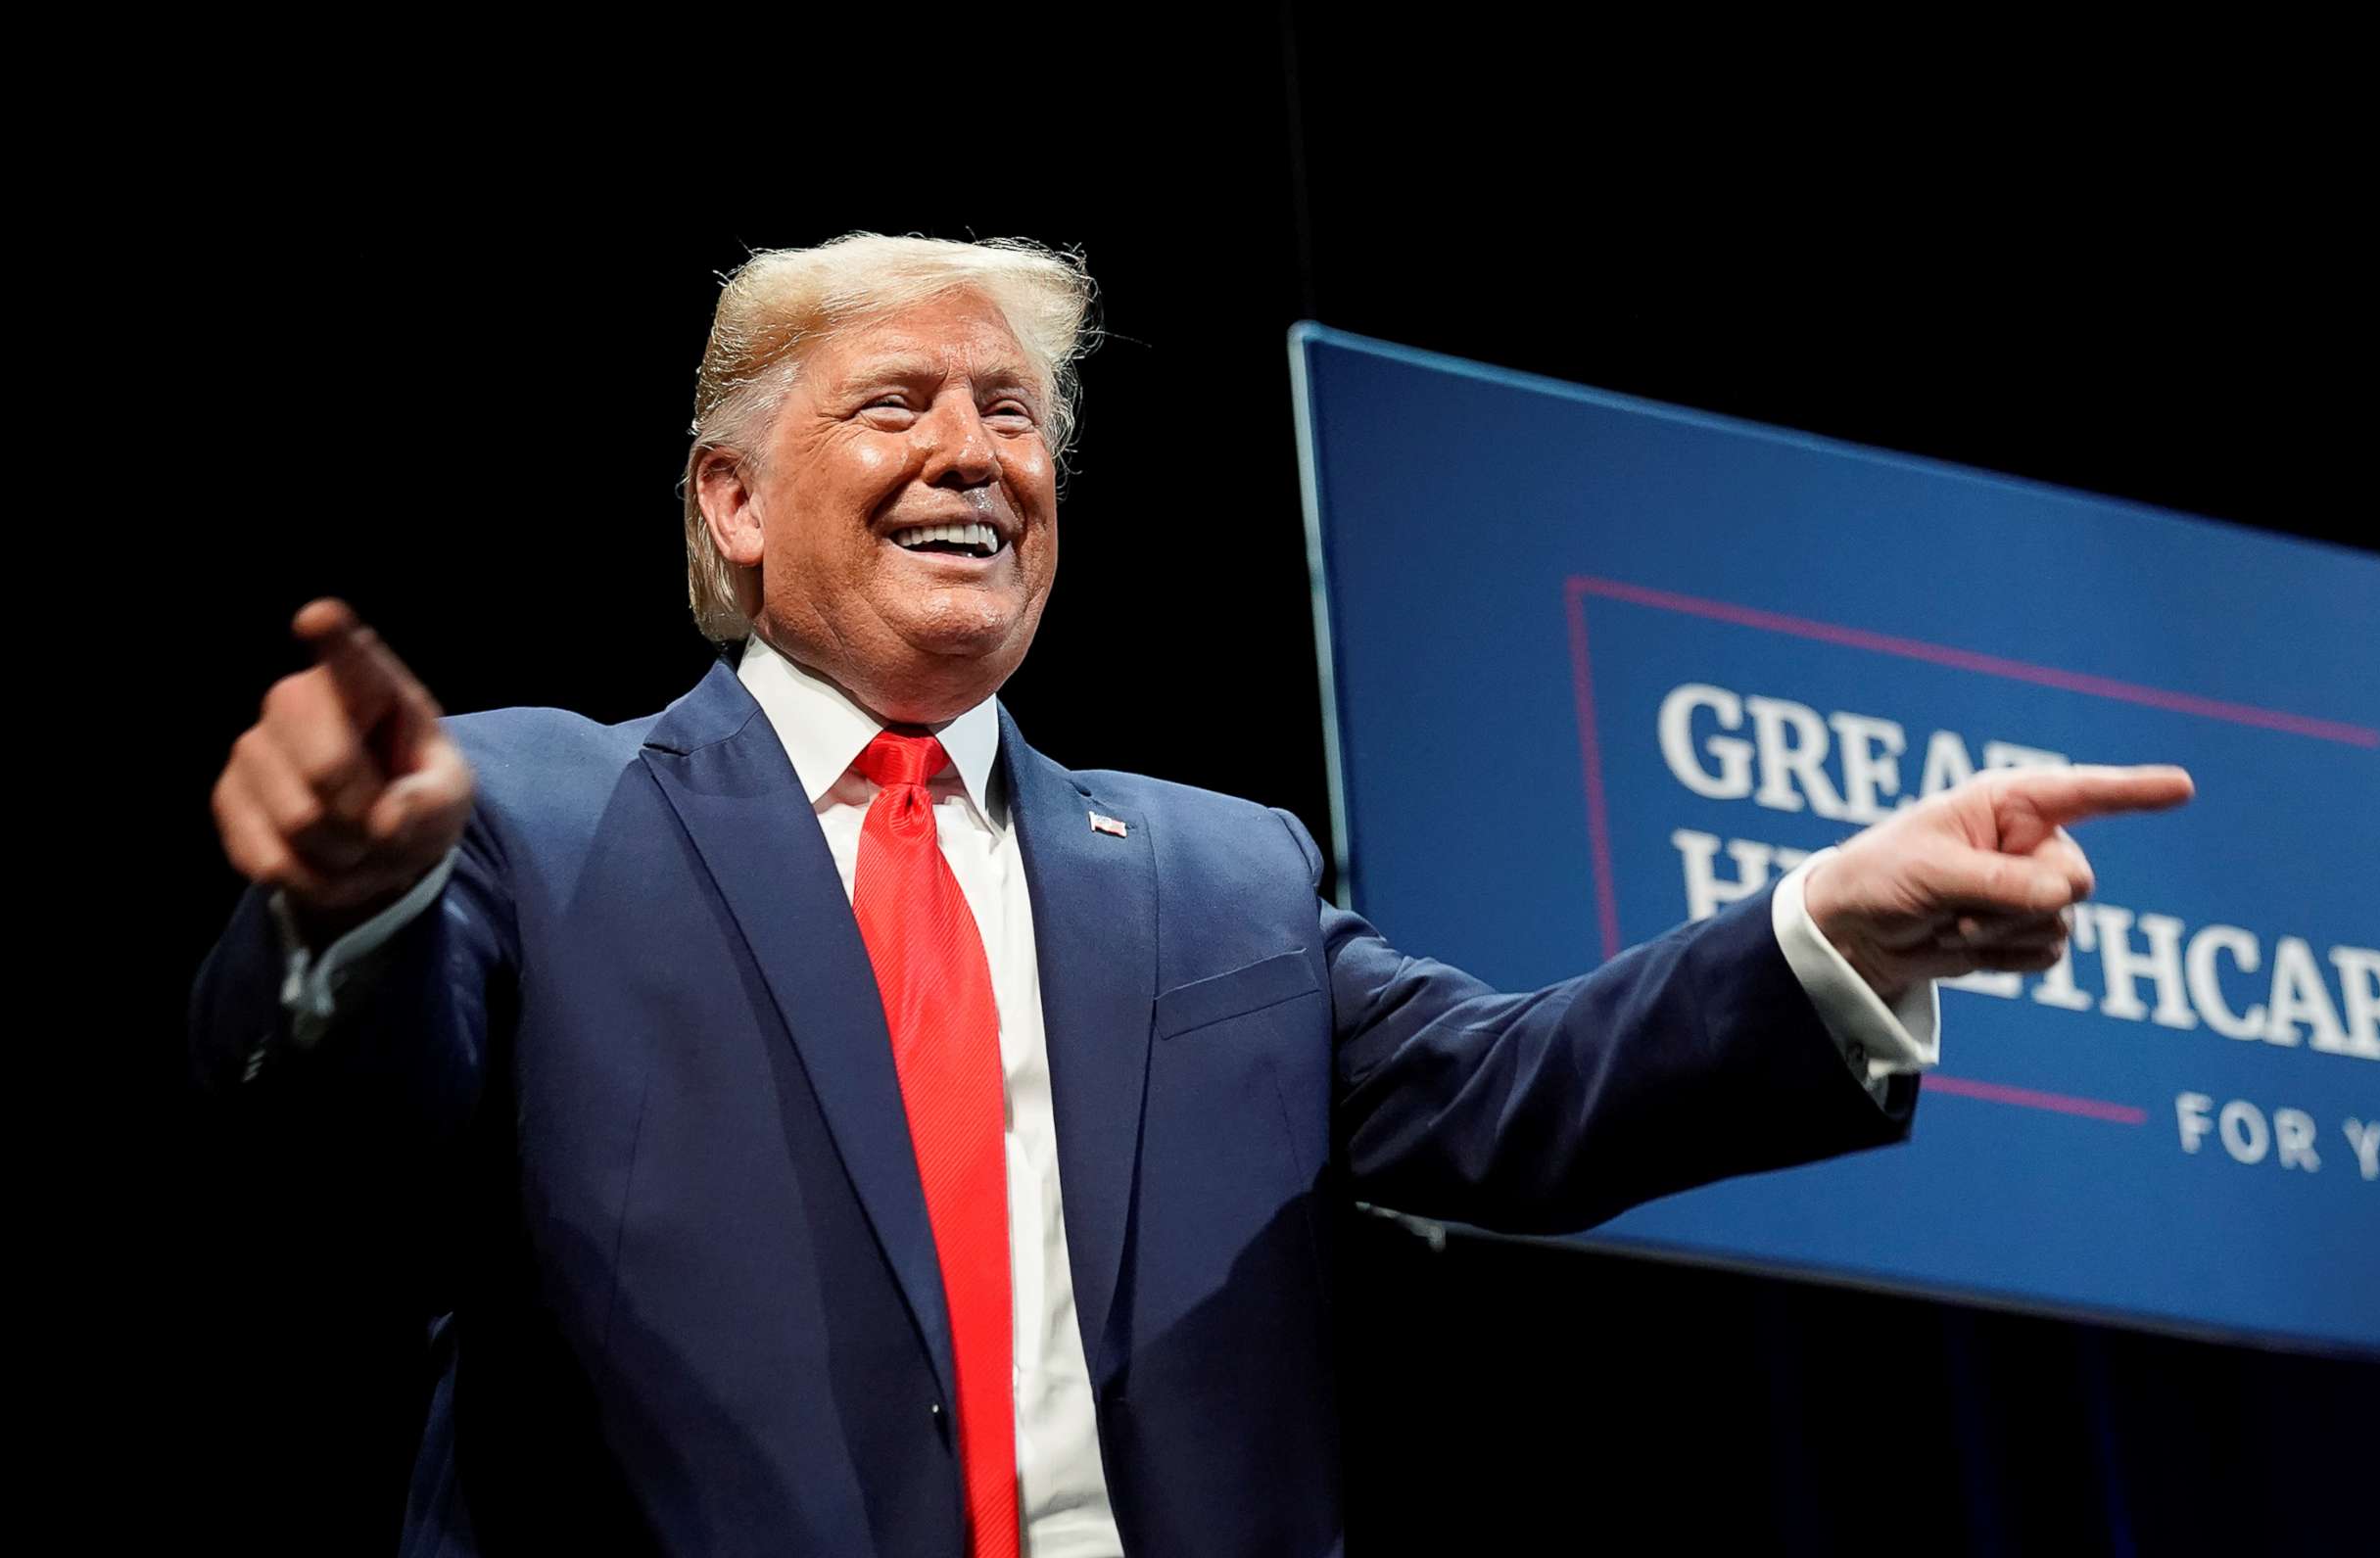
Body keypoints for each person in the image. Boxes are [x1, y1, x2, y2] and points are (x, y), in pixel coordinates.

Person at [193, 233, 2193, 1557]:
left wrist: (1824, 930)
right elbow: (348, 1150)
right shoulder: (539, 807)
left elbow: (1513, 1097)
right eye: (895, 407)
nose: (973, 453)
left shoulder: (1220, 873)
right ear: (731, 500)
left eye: (1015, 417)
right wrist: (348, 905)